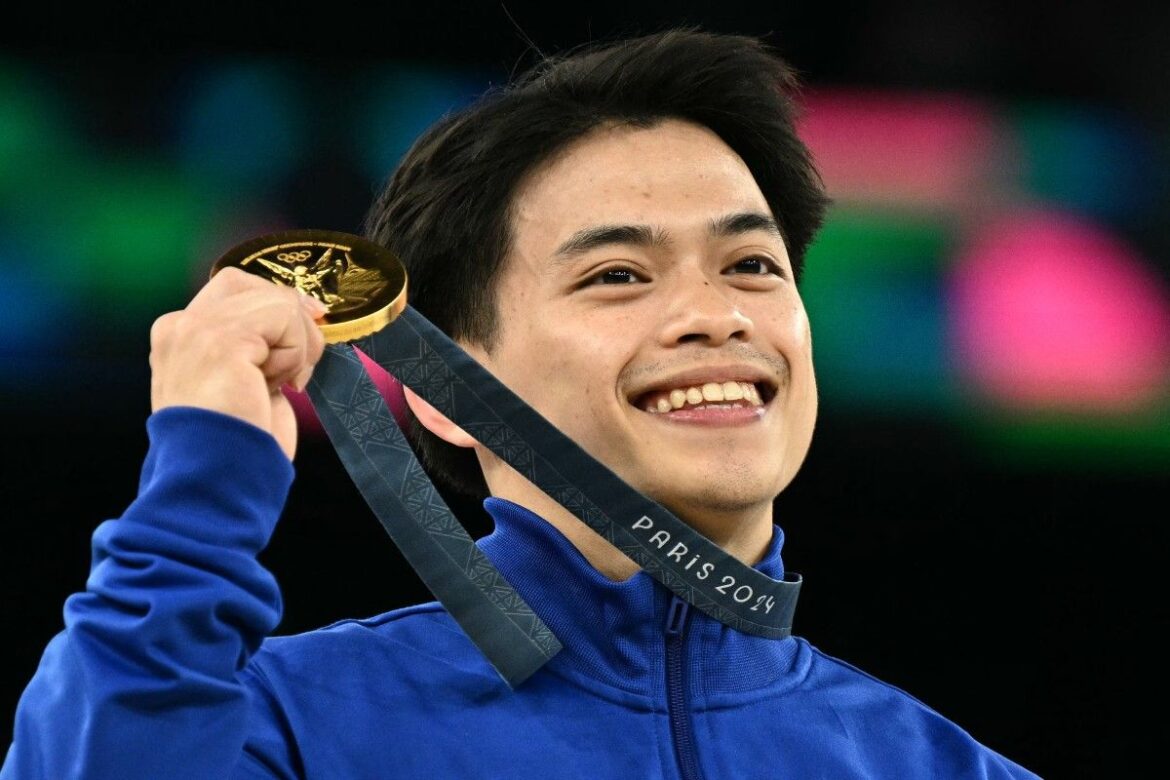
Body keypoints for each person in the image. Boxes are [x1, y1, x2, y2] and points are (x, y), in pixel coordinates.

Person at [1, 28, 1041, 779]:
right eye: (619, 276)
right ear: (448, 392)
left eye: (753, 265)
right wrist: (198, 492)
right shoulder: (293, 731)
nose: (715, 315)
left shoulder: (947, 767)